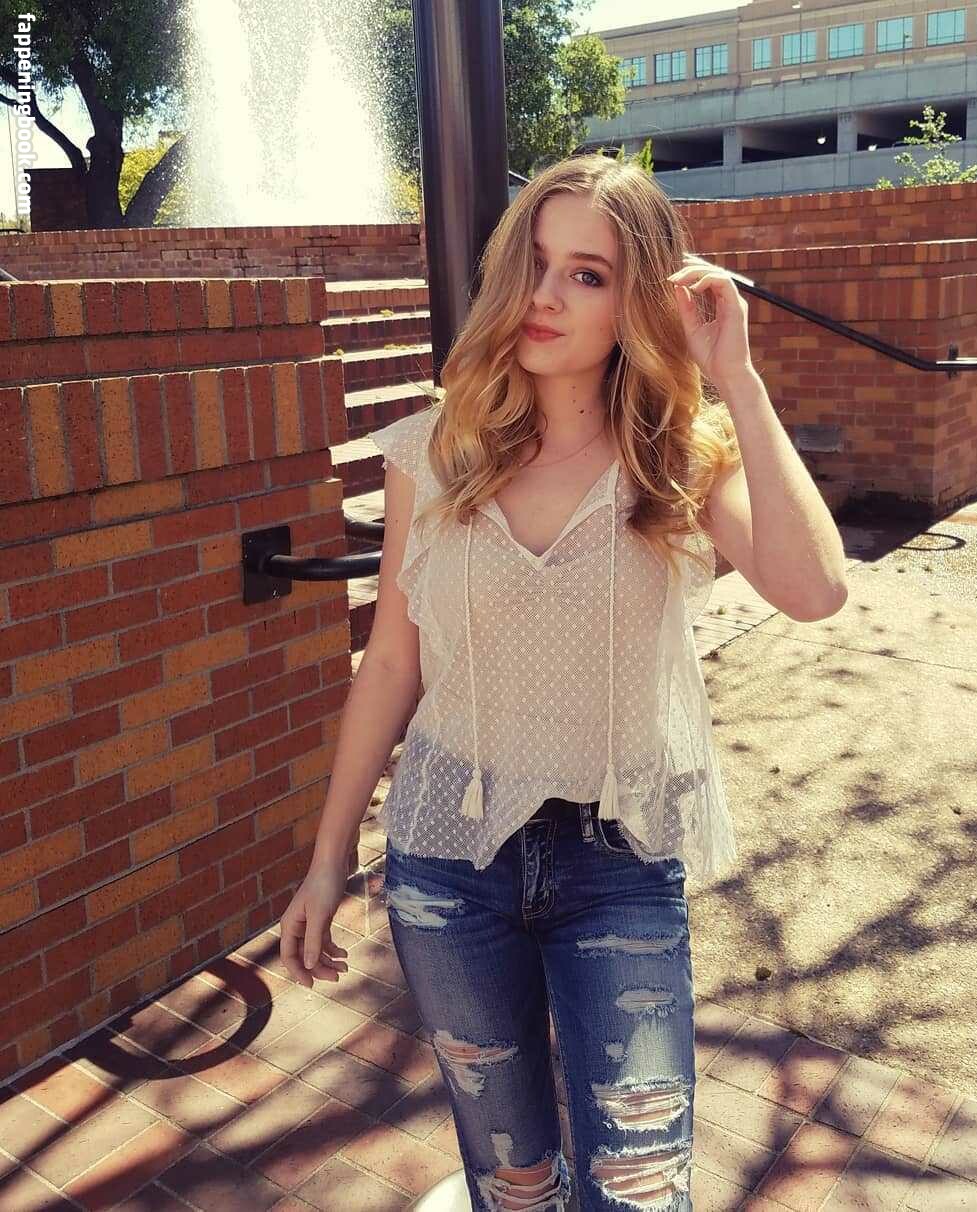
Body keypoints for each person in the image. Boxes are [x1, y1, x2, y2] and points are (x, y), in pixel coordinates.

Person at [279, 153, 765, 1211]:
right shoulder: (434, 449)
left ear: (637, 300)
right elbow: (392, 663)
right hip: (449, 862)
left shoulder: (679, 455)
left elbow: (814, 588)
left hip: (618, 860)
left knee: (640, 1187)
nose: (546, 295)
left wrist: (737, 374)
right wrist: (327, 859)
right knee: (513, 1178)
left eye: (588, 274)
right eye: (535, 264)